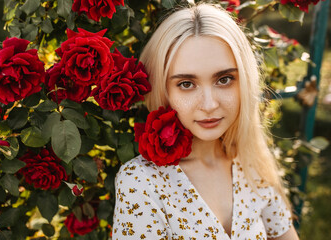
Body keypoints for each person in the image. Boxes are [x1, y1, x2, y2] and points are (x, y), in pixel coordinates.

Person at [112, 3, 299, 240]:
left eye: (224, 79)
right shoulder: (142, 182)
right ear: (163, 90)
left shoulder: (251, 163)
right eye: (186, 84)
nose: (209, 104)